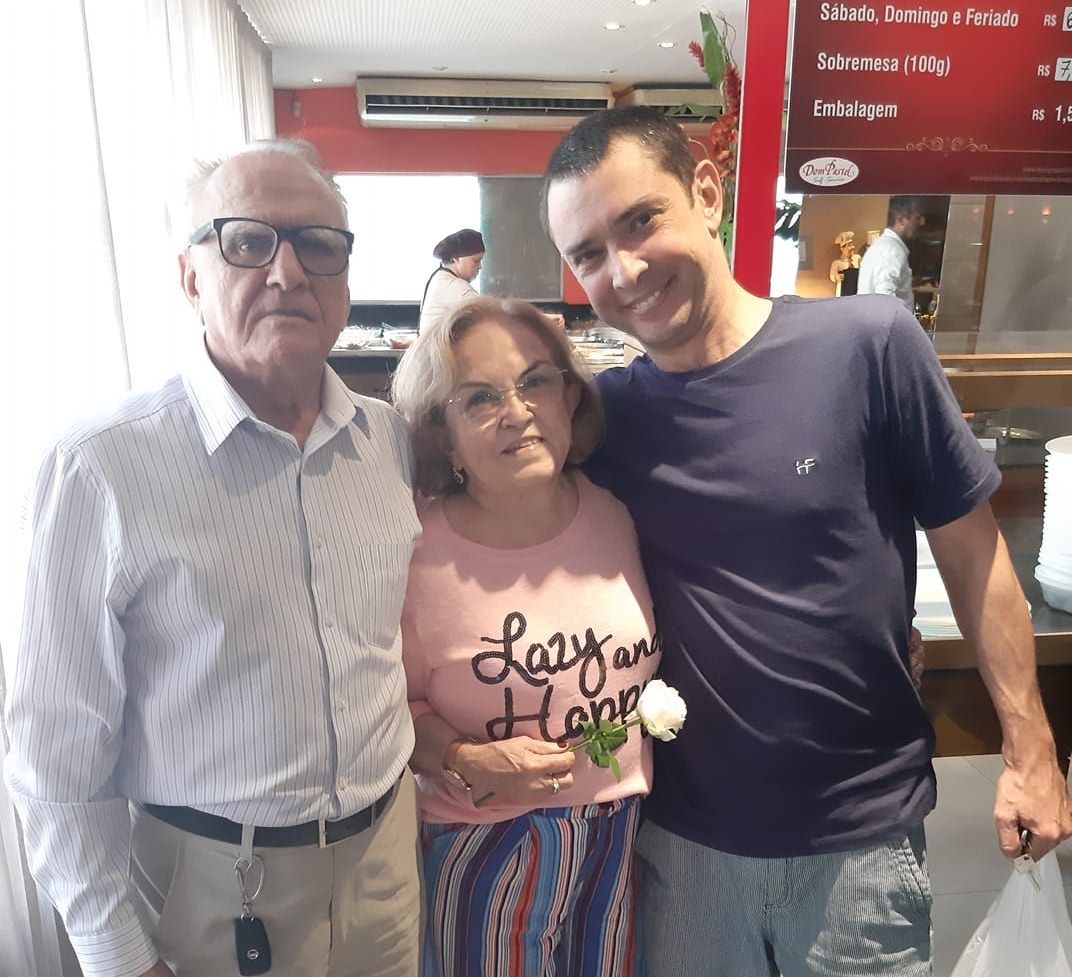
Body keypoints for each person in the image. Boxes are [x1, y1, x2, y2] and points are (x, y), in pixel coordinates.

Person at [541, 107, 1072, 977]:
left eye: (640, 221)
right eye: (588, 253)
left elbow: (975, 558)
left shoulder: (868, 344)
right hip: (680, 845)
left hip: (859, 845)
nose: (624, 270)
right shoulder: (610, 420)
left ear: (707, 193)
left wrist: (1032, 753)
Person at [5, 139, 423, 977]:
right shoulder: (101, 467)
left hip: (384, 868)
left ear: (345, 279)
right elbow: (54, 750)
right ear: (191, 277)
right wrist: (115, 954)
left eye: (317, 245)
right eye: (247, 242)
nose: (286, 272)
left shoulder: (387, 441)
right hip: (215, 891)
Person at [391, 295, 660, 977]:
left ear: (569, 396)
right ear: (442, 434)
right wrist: (465, 758)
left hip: (618, 833)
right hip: (486, 842)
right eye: (480, 397)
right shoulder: (414, 551)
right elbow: (388, 708)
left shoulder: (618, 516)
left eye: (535, 381)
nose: (517, 412)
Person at [857, 195, 928, 309]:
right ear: (901, 220)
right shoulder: (892, 250)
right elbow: (884, 296)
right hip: (883, 320)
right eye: (917, 218)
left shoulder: (884, 245)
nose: (922, 223)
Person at [419, 227, 485, 332]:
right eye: (476, 261)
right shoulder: (452, 284)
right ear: (456, 259)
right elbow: (488, 313)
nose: (480, 266)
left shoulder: (439, 277)